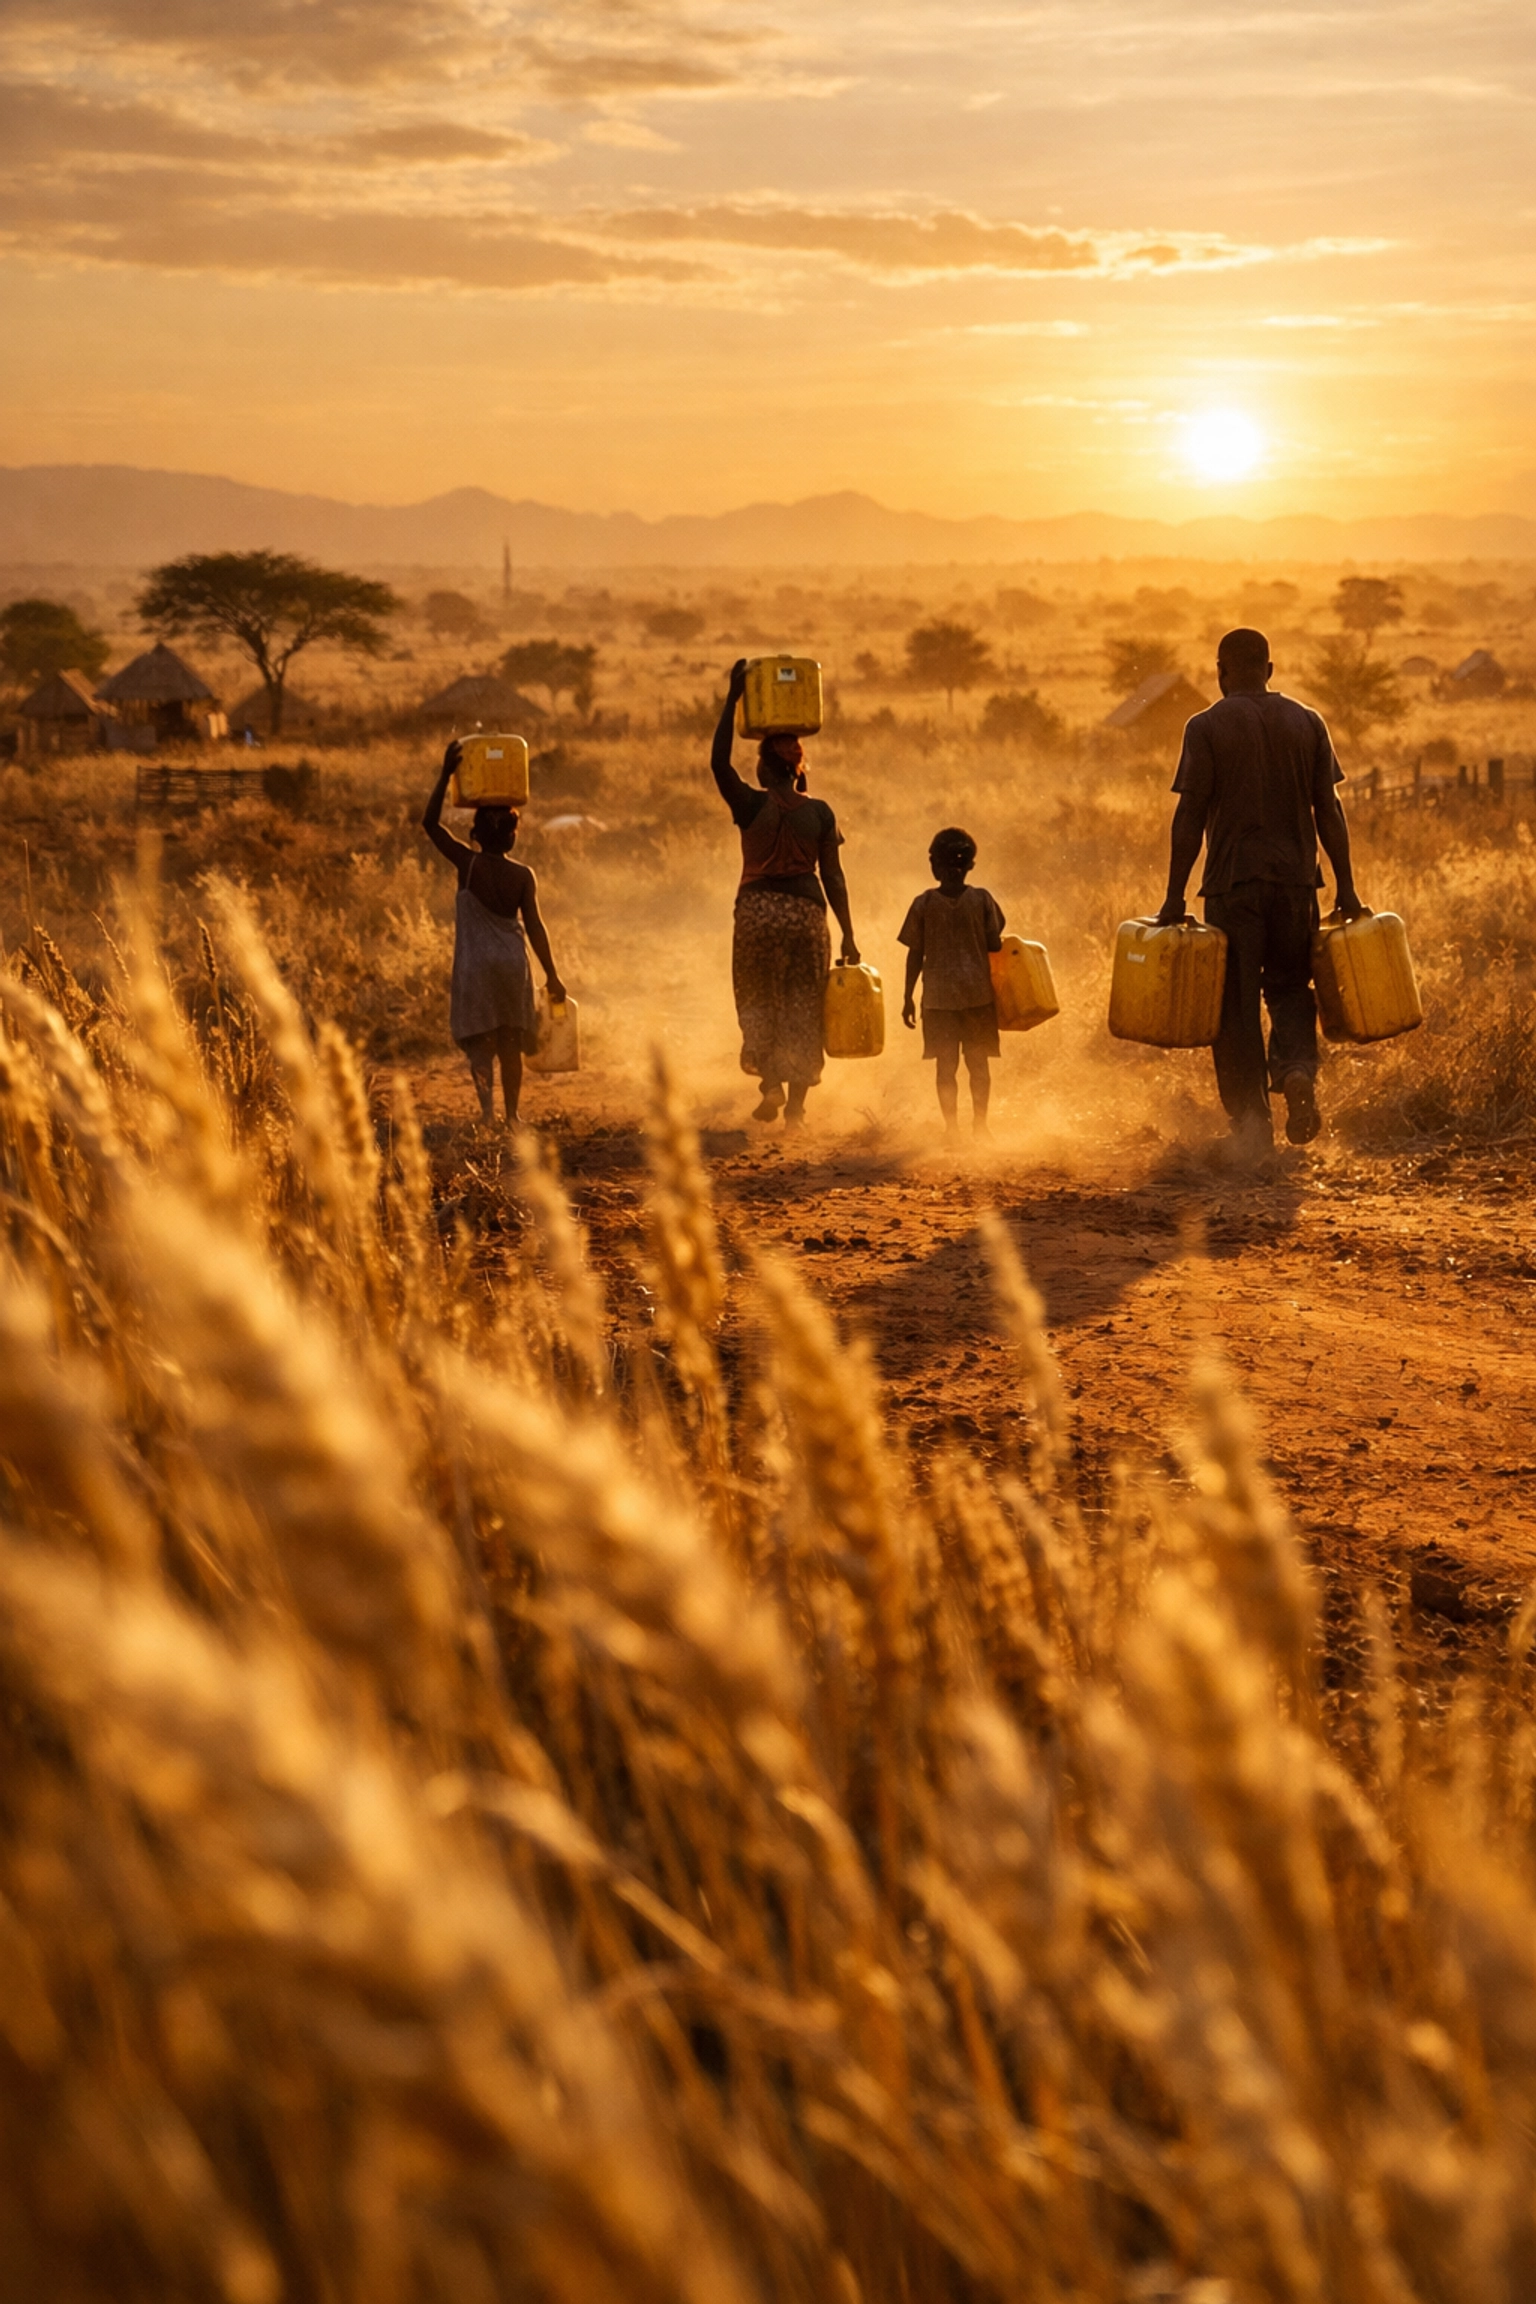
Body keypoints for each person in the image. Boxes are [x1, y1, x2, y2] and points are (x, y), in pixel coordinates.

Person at [1156, 626, 1367, 1159]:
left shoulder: (1205, 725)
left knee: (1236, 1008)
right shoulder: (1307, 721)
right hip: (1299, 884)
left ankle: (1252, 1126)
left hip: (1233, 885)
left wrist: (1175, 896)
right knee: (1293, 989)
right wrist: (1346, 886)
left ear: (1221, 672)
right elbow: (1329, 810)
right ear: (1269, 670)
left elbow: (1190, 815)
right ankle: (1296, 1071)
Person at [711, 658, 860, 1127]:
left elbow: (716, 762)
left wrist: (733, 698)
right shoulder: (819, 812)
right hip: (806, 916)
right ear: (797, 768)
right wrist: (850, 935)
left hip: (756, 913)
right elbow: (834, 878)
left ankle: (770, 1083)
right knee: (803, 1006)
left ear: (760, 769)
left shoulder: (749, 803)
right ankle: (796, 1108)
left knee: (758, 999)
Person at [422, 739, 566, 1125]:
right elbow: (535, 926)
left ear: (476, 834)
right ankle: (513, 1115)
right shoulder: (522, 875)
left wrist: (445, 774)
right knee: (511, 1045)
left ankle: (487, 1113)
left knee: (482, 1047)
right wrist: (552, 975)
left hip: (477, 969)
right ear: (513, 836)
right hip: (512, 966)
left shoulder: (466, 863)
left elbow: (430, 825)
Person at [899, 828, 1006, 1139]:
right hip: (978, 996)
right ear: (971, 865)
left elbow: (914, 955)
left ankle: (951, 1129)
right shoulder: (982, 899)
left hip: (938, 1000)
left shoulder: (923, 904)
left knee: (945, 1068)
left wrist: (907, 997)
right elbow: (995, 943)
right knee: (979, 1066)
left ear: (934, 866)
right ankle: (981, 1126)